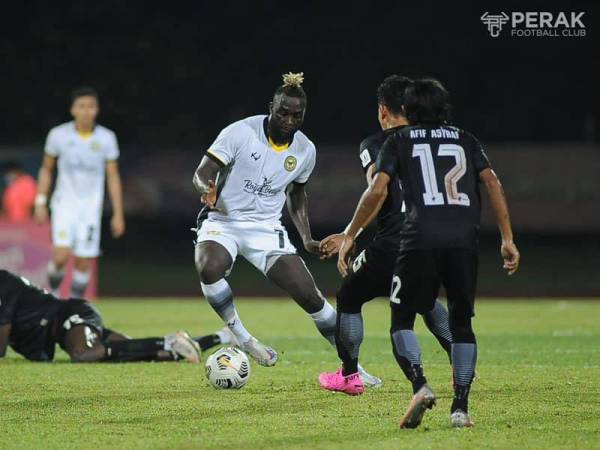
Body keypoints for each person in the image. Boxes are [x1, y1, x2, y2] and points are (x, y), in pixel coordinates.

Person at [330, 78, 520, 428]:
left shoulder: (398, 140)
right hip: (464, 239)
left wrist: (349, 233)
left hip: (417, 239)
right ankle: (460, 408)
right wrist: (507, 238)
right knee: (460, 321)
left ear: (408, 110)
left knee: (401, 319)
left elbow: (377, 189)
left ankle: (418, 385)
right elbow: (492, 182)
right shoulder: (466, 138)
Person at [192, 72, 380, 386]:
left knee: (312, 299)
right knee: (209, 266)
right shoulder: (240, 132)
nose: (289, 119)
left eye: (297, 115)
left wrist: (306, 238)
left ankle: (352, 368)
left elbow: (297, 194)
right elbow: (203, 171)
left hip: (267, 230)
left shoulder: (306, 150)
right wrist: (207, 187)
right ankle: (241, 336)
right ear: (271, 106)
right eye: (283, 112)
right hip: (224, 221)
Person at [317, 76, 453, 396]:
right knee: (423, 296)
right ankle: (461, 358)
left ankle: (350, 376)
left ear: (383, 110)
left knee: (350, 294)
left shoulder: (376, 144)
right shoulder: (436, 140)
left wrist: (350, 234)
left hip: (396, 240)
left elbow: (377, 192)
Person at [0, 269, 235, 363]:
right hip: (62, 331)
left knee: (84, 354)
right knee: (155, 354)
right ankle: (223, 337)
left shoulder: (4, 283)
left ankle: (171, 341)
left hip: (69, 315)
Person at [34, 87, 125, 298]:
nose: (86, 111)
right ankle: (53, 297)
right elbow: (46, 169)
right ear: (72, 109)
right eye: (81, 106)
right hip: (64, 204)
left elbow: (113, 176)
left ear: (97, 110)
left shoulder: (106, 138)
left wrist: (118, 213)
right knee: (60, 256)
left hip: (91, 208)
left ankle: (75, 305)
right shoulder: (58, 135)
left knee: (83, 263)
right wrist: (40, 201)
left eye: (90, 106)